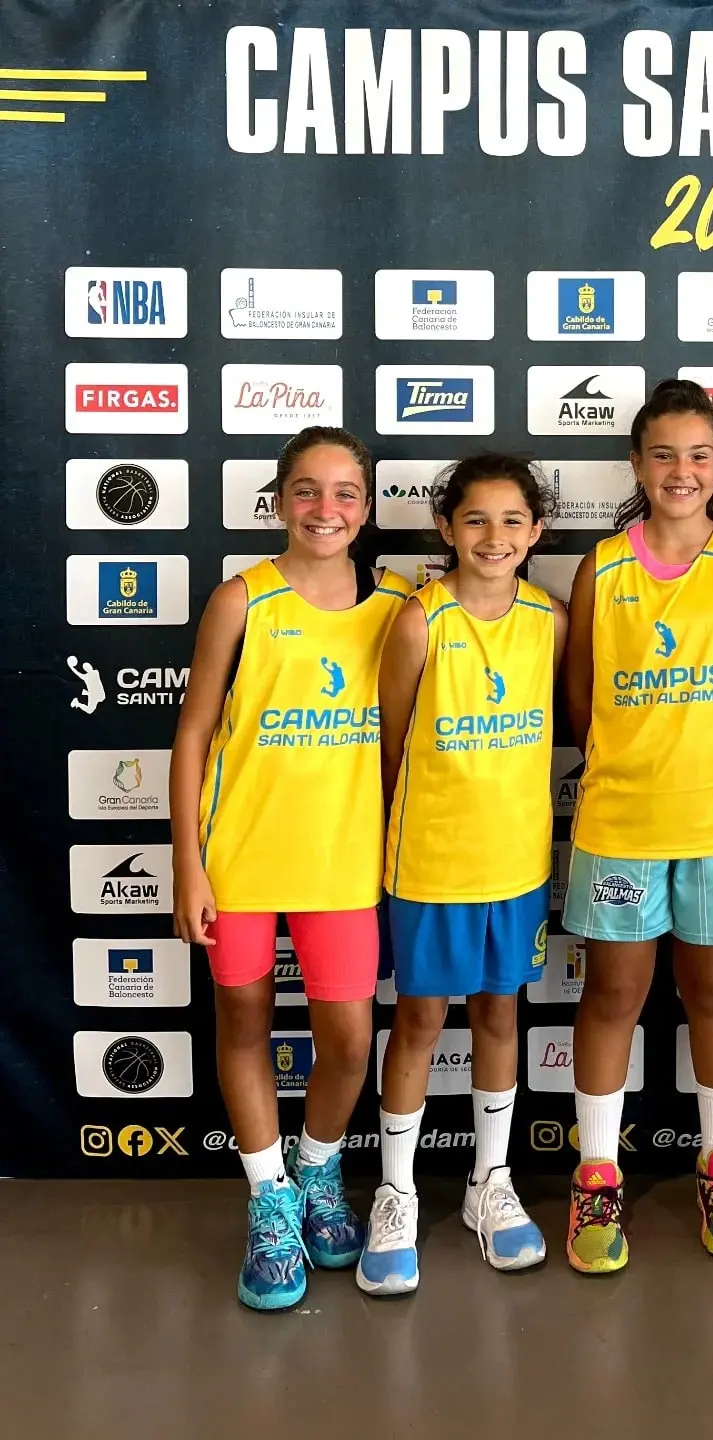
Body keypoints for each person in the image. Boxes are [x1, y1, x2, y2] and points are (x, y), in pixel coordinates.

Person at [170, 427, 411, 1311]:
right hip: (241, 858)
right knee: (245, 1023)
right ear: (279, 501)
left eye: (345, 492)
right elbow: (194, 733)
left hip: (345, 862)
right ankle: (269, 1201)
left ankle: (317, 1170)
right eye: (307, 490)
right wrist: (188, 865)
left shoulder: (401, 606)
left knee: (347, 1041)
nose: (325, 508)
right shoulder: (243, 599)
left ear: (368, 507)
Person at [561, 379, 713, 1274]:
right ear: (636, 464)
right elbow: (580, 698)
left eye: (699, 454)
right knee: (612, 995)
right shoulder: (601, 568)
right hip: (620, 822)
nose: (681, 471)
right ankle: (596, 1176)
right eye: (663, 454)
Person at [355, 455, 567, 1294]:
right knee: (417, 1021)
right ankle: (397, 1193)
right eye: (475, 519)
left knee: (499, 1015)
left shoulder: (549, 620)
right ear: (445, 527)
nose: (494, 536)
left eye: (513, 520)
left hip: (515, 860)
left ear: (537, 531)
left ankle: (490, 1183)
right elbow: (391, 742)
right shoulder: (421, 621)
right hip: (433, 860)